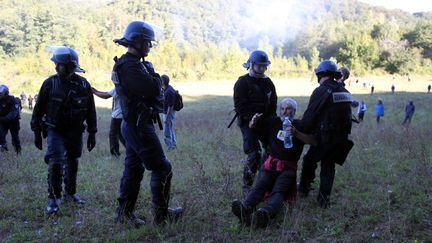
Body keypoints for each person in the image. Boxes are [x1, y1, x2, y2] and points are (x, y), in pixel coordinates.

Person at [112, 20, 183, 227]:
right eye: (148, 42)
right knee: (163, 168)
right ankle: (161, 216)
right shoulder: (130, 66)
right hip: (137, 125)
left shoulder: (137, 64)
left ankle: (124, 214)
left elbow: (156, 90)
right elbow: (154, 89)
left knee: (134, 170)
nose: (150, 46)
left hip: (136, 124)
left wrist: (155, 82)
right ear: (137, 41)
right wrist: (156, 80)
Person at [30, 46, 97, 214]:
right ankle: (53, 198)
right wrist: (37, 133)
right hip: (55, 130)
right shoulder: (49, 83)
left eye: (58, 64)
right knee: (56, 161)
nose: (55, 67)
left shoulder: (83, 85)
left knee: (73, 161)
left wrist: (92, 133)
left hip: (75, 132)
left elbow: (91, 110)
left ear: (68, 66)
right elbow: (38, 110)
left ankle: (70, 193)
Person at [231, 98, 317, 228]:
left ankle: (266, 214)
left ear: (294, 111)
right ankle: (245, 208)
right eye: (282, 109)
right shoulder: (273, 122)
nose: (285, 111)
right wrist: (252, 123)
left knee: (278, 191)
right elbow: (256, 130)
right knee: (260, 186)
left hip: (288, 167)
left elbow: (314, 141)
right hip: (270, 164)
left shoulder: (300, 125)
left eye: (288, 108)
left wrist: (296, 133)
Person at [296, 60, 353, 208]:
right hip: (341, 139)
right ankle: (324, 200)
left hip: (325, 138)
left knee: (309, 160)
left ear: (320, 74)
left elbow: (310, 117)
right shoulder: (345, 92)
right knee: (328, 167)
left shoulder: (321, 90)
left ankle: (303, 190)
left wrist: (298, 128)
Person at [233, 50, 277, 197]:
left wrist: (273, 122)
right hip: (247, 122)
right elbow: (239, 106)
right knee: (254, 153)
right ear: (251, 64)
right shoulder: (242, 82)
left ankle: (264, 180)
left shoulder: (268, 83)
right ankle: (247, 186)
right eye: (259, 66)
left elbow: (273, 105)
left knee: (273, 149)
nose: (262, 69)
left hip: (265, 122)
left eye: (264, 66)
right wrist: (252, 118)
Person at [92, 87, 125, 157]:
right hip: (123, 115)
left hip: (118, 116)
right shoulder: (126, 85)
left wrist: (94, 92)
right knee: (121, 135)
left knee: (113, 135)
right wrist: (96, 91)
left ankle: (115, 154)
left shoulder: (119, 87)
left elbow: (106, 96)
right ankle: (131, 151)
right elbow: (107, 94)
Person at [0, 85, 21, 154]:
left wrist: (6, 118)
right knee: (1, 135)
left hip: (13, 122)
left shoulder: (13, 100)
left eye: (0, 93)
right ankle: (4, 150)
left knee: (15, 138)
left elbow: (14, 112)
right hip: (3, 122)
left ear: (6, 93)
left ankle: (18, 152)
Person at [161, 74, 177, 150]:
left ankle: (170, 147)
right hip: (169, 113)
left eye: (161, 80)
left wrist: (167, 118)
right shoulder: (168, 88)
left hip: (168, 113)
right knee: (170, 129)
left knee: (166, 132)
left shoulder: (169, 92)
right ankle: (173, 145)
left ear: (163, 82)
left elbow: (170, 106)